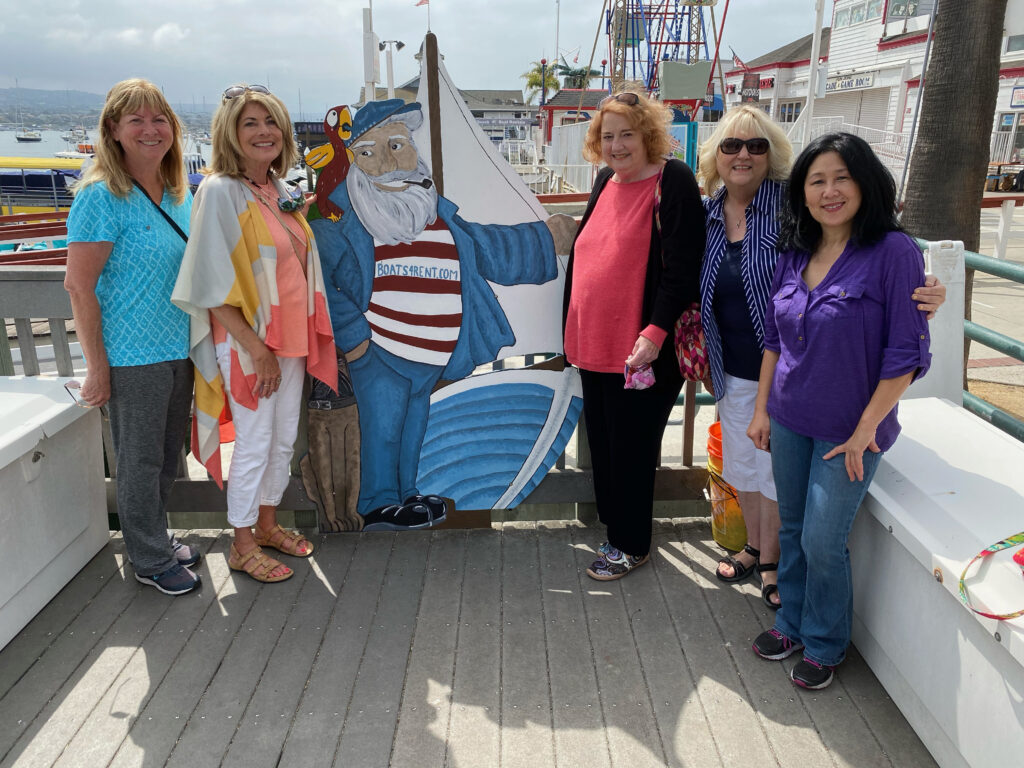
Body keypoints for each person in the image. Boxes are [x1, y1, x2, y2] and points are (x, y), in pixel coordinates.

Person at [698, 107, 945, 610]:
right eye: (731, 145)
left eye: (757, 146)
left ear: (773, 157)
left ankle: (773, 567)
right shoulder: (711, 213)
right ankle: (756, 551)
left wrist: (929, 292)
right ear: (715, 156)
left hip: (804, 379)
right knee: (746, 469)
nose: (743, 155)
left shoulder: (792, 211)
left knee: (785, 494)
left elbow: (878, 274)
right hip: (738, 368)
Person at [311, 98, 570, 530]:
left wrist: (547, 238)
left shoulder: (440, 217)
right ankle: (377, 502)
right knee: (384, 426)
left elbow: (490, 247)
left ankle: (407, 495)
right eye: (371, 152)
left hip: (431, 357)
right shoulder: (346, 225)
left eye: (398, 146)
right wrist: (354, 338)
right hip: (381, 352)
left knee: (413, 426)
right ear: (355, 163)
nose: (389, 162)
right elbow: (320, 278)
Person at [748, 132, 931, 690]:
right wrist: (761, 410)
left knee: (825, 540)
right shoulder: (796, 250)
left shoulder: (894, 253)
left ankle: (826, 642)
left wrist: (865, 430)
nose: (830, 191)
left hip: (851, 431)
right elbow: (774, 342)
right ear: (802, 193)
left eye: (841, 178)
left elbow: (906, 354)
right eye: (817, 181)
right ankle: (792, 621)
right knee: (797, 525)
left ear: (864, 183)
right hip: (789, 417)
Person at [172, 84, 337, 583]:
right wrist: (255, 348)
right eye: (250, 123)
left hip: (289, 340)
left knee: (283, 439)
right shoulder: (220, 191)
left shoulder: (278, 190)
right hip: (251, 343)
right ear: (231, 133)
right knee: (254, 441)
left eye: (270, 122)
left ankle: (267, 525)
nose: (263, 131)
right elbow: (209, 284)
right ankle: (241, 544)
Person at [64, 78, 201, 596]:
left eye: (159, 119)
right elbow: (78, 285)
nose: (150, 129)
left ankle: (156, 540)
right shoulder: (101, 196)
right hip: (130, 354)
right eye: (136, 120)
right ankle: (147, 557)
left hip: (177, 348)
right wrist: (98, 367)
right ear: (114, 131)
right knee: (140, 459)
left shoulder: (178, 194)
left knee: (168, 455)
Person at [563, 91, 706, 580]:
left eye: (627, 134)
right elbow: (591, 247)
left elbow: (683, 270)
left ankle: (631, 544)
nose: (618, 145)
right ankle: (616, 529)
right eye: (608, 136)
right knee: (605, 445)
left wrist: (655, 332)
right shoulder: (605, 180)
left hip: (642, 350)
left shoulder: (674, 180)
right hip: (595, 343)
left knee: (632, 448)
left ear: (648, 134)